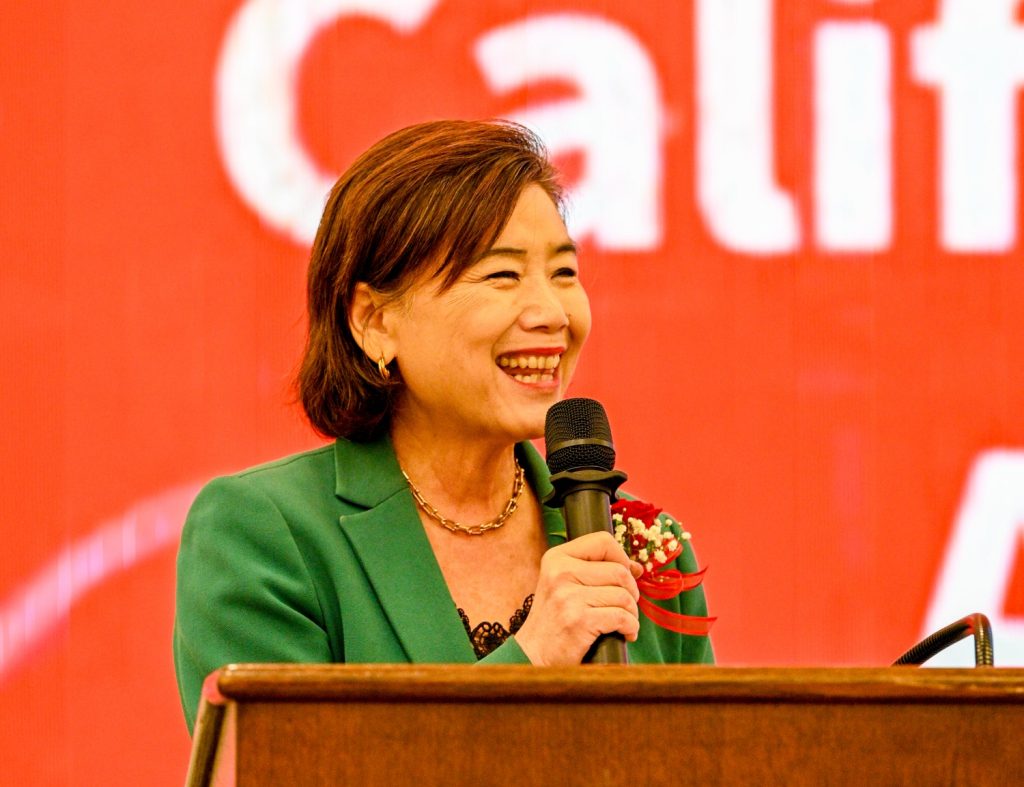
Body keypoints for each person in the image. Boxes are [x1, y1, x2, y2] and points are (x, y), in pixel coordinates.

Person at [173, 119, 712, 732]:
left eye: (564, 273)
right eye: (503, 275)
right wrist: (532, 658)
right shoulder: (266, 534)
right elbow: (289, 768)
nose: (551, 313)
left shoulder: (641, 545)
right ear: (375, 321)